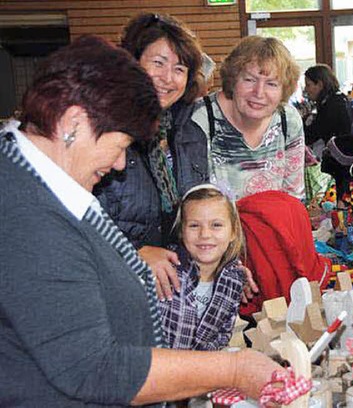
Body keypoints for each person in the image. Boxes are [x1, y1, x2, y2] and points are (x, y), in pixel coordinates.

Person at [0, 35, 281, 407]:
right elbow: (94, 368)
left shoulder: (42, 181)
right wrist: (233, 370)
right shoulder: (25, 211)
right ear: (72, 123)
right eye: (118, 146)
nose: (119, 164)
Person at [93, 13, 211, 301]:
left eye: (180, 68)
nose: (168, 78)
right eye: (158, 63)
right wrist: (132, 252)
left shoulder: (191, 134)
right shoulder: (103, 130)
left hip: (174, 287)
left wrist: (222, 257)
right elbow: (72, 221)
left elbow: (198, 212)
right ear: (131, 63)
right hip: (113, 286)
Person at [190, 35, 305, 201]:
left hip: (273, 224)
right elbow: (192, 203)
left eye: (271, 84)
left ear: (284, 90)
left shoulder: (288, 119)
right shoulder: (201, 118)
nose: (258, 93)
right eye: (249, 80)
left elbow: (294, 198)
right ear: (233, 80)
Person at [161, 184, 245, 351]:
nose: (205, 234)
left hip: (202, 371)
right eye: (194, 225)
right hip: (158, 370)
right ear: (181, 232)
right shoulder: (165, 273)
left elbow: (222, 335)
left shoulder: (234, 281)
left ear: (233, 232)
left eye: (216, 225)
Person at [302, 63, 352, 156]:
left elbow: (311, 135)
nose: (306, 89)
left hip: (337, 158)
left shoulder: (332, 105)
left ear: (320, 85)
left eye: (308, 85)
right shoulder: (337, 98)